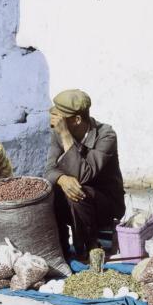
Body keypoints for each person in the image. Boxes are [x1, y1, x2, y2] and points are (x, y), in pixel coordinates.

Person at [44, 89, 125, 259]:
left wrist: (66, 136)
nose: (55, 120)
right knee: (53, 191)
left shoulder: (106, 135)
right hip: (75, 198)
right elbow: (49, 170)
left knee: (77, 192)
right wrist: (62, 178)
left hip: (105, 203)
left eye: (60, 116)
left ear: (77, 119)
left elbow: (84, 174)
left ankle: (89, 248)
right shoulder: (57, 135)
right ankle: (61, 248)